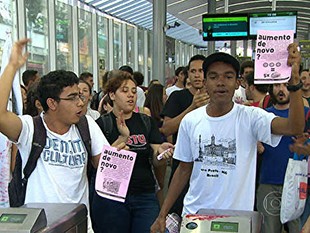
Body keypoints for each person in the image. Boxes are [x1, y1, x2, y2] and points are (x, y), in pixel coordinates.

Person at [151, 43, 304, 233]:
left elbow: (294, 126)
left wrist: (295, 80)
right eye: (213, 77)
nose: (221, 82)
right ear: (204, 82)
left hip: (236, 220)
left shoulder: (251, 117)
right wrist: (162, 214)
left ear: (238, 82)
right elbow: (183, 170)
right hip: (196, 216)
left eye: (228, 76)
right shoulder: (191, 121)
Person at [0, 39, 116, 233]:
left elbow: (109, 177)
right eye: (72, 97)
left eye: (80, 96)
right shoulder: (30, 128)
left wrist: (117, 160)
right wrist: (12, 66)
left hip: (78, 225)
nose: (80, 103)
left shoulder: (87, 126)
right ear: (52, 103)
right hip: (40, 227)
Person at [92, 71, 174, 233]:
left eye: (134, 91)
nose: (131, 95)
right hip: (112, 198)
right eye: (124, 91)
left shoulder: (145, 122)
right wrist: (123, 138)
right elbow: (99, 165)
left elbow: (156, 157)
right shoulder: (101, 125)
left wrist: (161, 153)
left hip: (144, 195)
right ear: (112, 95)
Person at [256, 82, 309, 233]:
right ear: (271, 89)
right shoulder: (263, 116)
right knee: (269, 229)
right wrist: (257, 145)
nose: (281, 89)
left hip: (298, 182)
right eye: (277, 85)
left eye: (286, 85)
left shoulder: (306, 114)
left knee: (298, 229)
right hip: (269, 181)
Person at [160, 54, 208, 216]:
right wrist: (192, 107)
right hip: (182, 165)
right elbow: (166, 129)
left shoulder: (217, 98)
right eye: (193, 71)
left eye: (201, 71)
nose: (197, 75)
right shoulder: (178, 97)